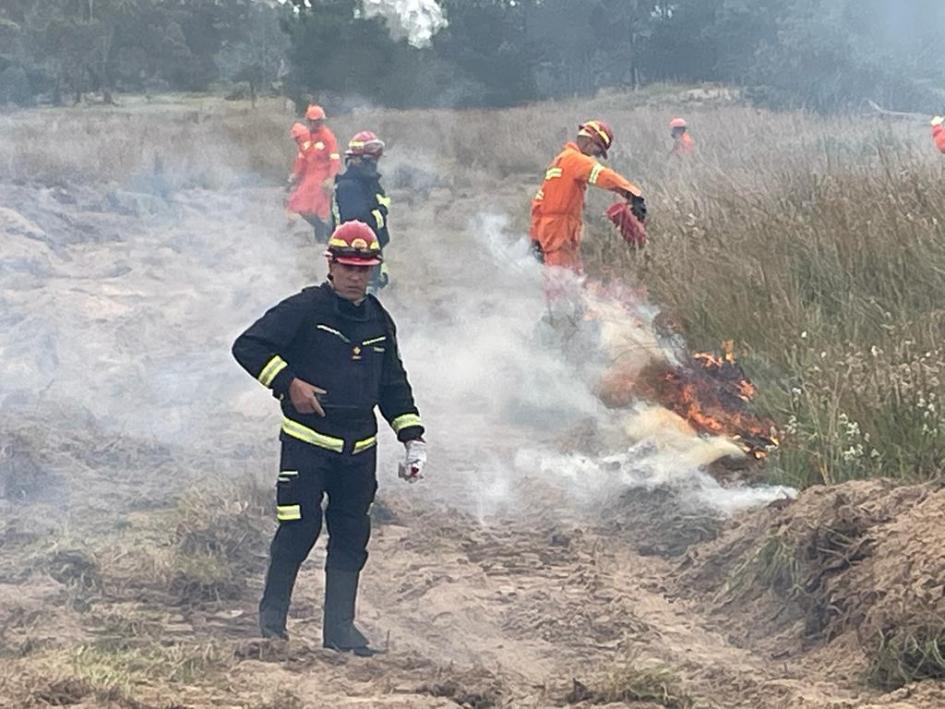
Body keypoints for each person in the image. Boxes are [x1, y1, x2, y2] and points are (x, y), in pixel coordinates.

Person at [232, 221, 426, 654]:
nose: (356, 276)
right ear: (331, 265)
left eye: (364, 268)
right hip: (306, 444)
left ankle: (340, 632)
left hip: (359, 452)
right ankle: (272, 622)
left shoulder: (379, 320)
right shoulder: (306, 308)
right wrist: (288, 383)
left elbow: (393, 384)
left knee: (351, 536)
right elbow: (248, 346)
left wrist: (412, 437)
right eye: (348, 266)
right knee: (298, 529)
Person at [530, 120, 645, 273]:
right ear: (591, 141)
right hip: (561, 229)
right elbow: (603, 175)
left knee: (567, 278)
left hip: (550, 229)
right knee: (561, 281)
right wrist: (632, 194)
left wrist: (536, 237)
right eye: (597, 151)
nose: (594, 156)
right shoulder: (575, 160)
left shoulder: (559, 161)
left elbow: (539, 204)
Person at [333, 131, 391, 292]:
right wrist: (382, 210)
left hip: (366, 260)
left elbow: (375, 237)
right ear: (356, 160)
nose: (374, 165)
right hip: (354, 263)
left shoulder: (368, 185)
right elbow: (362, 226)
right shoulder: (349, 187)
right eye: (370, 160)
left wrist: (380, 264)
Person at [286, 104, 341, 242]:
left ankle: (326, 233)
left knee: (318, 208)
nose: (315, 124)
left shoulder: (328, 137)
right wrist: (296, 175)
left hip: (321, 180)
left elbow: (334, 159)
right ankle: (321, 229)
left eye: (318, 121)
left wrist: (331, 178)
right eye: (312, 121)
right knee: (298, 204)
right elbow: (302, 160)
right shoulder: (307, 138)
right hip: (309, 178)